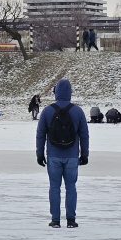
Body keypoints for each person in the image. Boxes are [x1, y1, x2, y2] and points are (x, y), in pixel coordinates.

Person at [36, 79, 89, 229]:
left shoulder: (47, 111)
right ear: (70, 92)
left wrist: (40, 154)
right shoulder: (78, 111)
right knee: (71, 187)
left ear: (56, 92)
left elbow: (40, 135)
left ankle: (56, 220)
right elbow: (84, 135)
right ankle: (71, 220)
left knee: (54, 187)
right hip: (72, 156)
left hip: (53, 156)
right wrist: (85, 154)